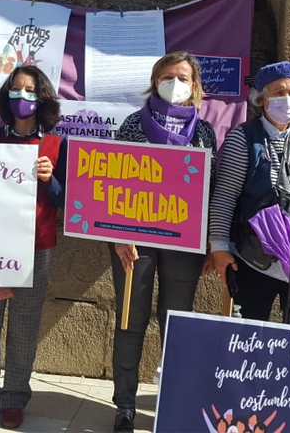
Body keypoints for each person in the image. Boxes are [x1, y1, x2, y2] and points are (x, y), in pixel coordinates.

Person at [110, 52, 217, 432]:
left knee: (177, 322)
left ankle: (173, 401)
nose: (176, 82)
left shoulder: (204, 132)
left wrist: (209, 245)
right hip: (133, 242)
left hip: (183, 244)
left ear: (194, 85)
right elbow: (113, 185)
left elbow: (211, 191)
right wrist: (118, 235)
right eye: (168, 76)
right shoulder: (131, 125)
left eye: (183, 77)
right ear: (155, 81)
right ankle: (124, 404)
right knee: (130, 320)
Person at [0, 66, 66, 430]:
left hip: (36, 245)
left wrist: (50, 180)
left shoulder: (56, 144)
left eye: (31, 91)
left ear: (43, 98)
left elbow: (65, 200)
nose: (23, 97)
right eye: (17, 90)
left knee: (24, 322)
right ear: (7, 96)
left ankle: (15, 395)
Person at [206, 61, 290, 323]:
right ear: (262, 98)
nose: (286, 99)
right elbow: (225, 196)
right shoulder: (242, 138)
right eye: (278, 92)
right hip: (253, 257)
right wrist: (219, 247)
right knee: (250, 336)